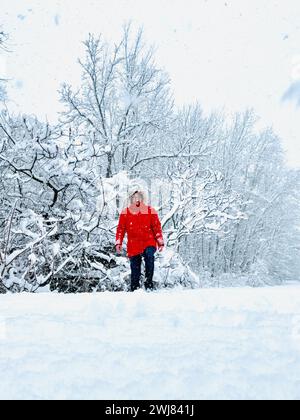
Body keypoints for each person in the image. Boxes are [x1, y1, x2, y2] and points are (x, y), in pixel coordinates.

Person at [115, 190, 164, 291]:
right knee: (135, 267)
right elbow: (121, 229)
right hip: (134, 244)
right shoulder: (126, 212)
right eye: (134, 197)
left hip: (148, 241)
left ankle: (148, 284)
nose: (137, 199)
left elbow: (156, 228)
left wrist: (160, 242)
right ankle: (135, 289)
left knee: (149, 257)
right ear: (131, 198)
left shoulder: (150, 210)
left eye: (139, 197)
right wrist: (118, 242)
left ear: (143, 198)